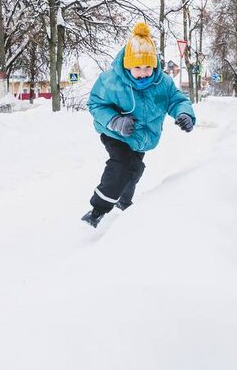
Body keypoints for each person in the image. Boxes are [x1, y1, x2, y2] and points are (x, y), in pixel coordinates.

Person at [81, 22, 196, 227]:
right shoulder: (110, 81)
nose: (143, 73)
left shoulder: (163, 83)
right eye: (137, 67)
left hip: (142, 137)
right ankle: (96, 212)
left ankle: (124, 202)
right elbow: (96, 104)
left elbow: (177, 100)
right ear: (127, 65)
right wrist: (116, 121)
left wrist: (184, 113)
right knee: (122, 165)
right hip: (115, 133)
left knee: (134, 170)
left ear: (155, 65)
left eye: (148, 67)